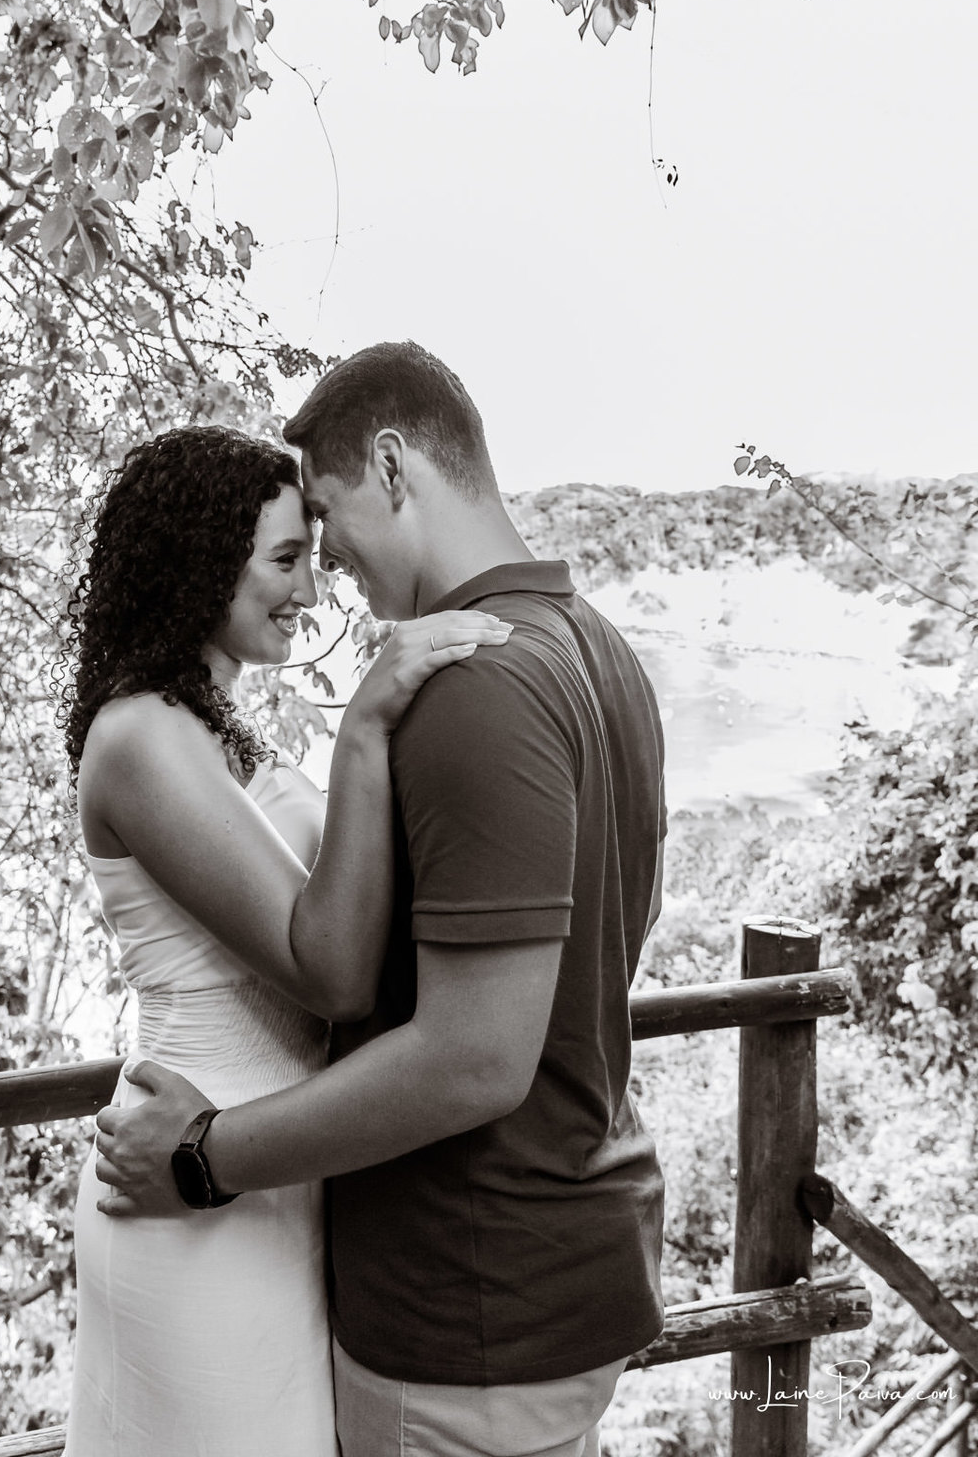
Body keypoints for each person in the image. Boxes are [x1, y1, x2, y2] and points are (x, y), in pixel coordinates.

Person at [96, 344, 668, 1457]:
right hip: (553, 1263)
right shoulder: (599, 652)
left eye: (326, 521)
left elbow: (472, 1056)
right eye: (289, 551)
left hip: (468, 1298)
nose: (327, 575)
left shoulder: (470, 684)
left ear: (394, 467)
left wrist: (208, 1154)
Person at [60, 422, 508, 1455]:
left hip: (267, 1173)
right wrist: (364, 730)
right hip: (186, 1193)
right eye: (285, 559)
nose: (311, 593)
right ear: (197, 561)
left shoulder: (213, 721)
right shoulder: (137, 737)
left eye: (314, 555)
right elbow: (331, 970)